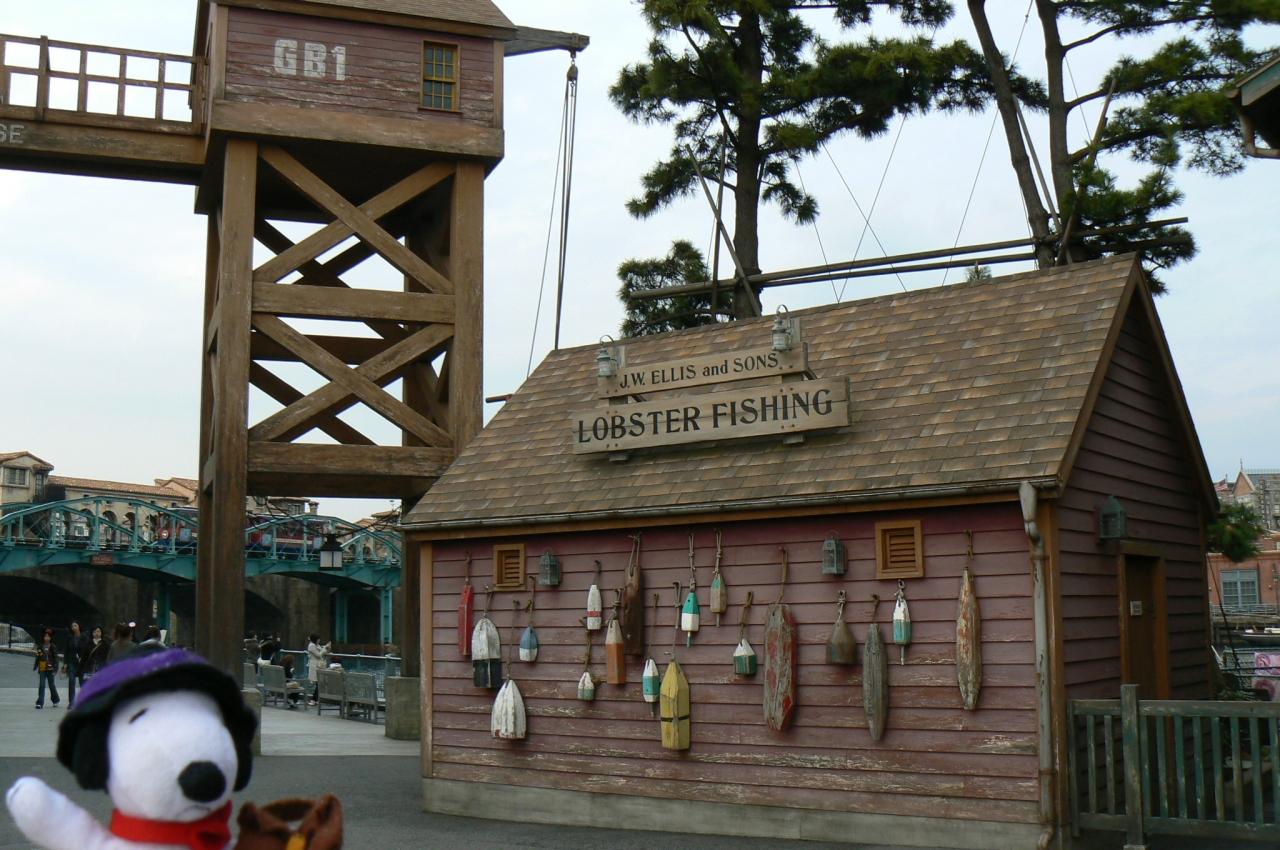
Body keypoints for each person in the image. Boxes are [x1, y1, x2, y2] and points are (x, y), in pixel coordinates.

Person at [61, 621, 89, 707]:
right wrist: (65, 663)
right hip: (71, 662)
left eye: (75, 625)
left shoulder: (85, 637)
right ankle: (71, 702)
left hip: (81, 663)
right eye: (72, 626)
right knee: (71, 681)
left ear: (79, 626)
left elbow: (88, 650)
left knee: (82, 682)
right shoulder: (70, 637)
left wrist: (83, 658)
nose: (73, 627)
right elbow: (66, 651)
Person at [33, 628, 60, 709]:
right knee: (42, 685)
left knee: (51, 685)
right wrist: (35, 666)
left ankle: (55, 700)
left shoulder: (53, 647)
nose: (46, 638)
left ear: (51, 638)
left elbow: (56, 659)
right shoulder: (40, 647)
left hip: (51, 669)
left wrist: (55, 669)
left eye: (48, 637)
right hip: (42, 667)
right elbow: (38, 657)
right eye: (45, 636)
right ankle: (40, 703)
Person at [305, 633, 331, 706]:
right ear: (315, 639)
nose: (319, 640)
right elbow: (319, 655)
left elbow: (322, 652)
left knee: (319, 682)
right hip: (315, 665)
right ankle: (314, 699)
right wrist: (325, 648)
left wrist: (327, 648)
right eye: (318, 639)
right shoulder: (311, 646)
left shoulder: (317, 645)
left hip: (319, 665)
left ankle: (315, 699)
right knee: (318, 682)